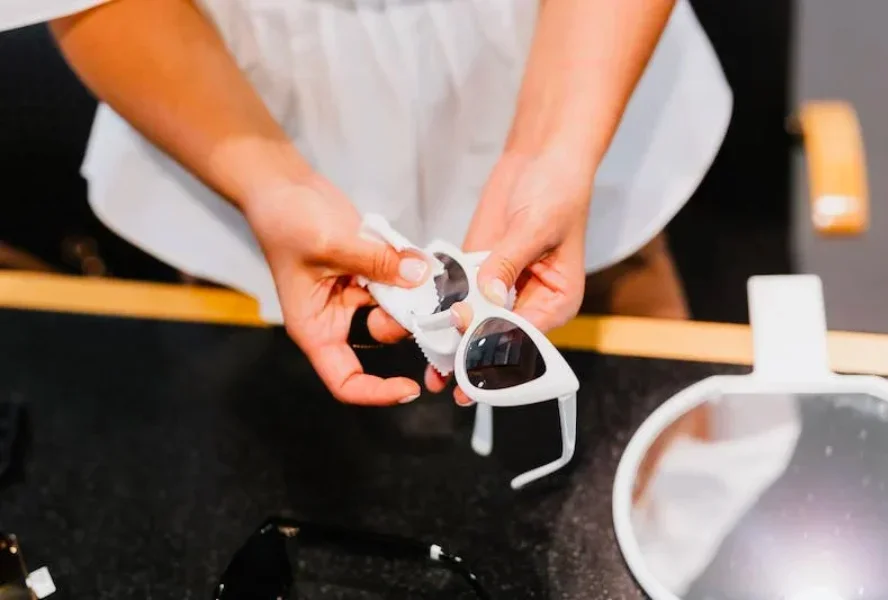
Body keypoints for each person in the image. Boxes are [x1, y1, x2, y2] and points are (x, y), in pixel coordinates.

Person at [0, 0, 731, 406]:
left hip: (581, 92)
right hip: (228, 119)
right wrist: (269, 185)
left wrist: (557, 149)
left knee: (637, 423)